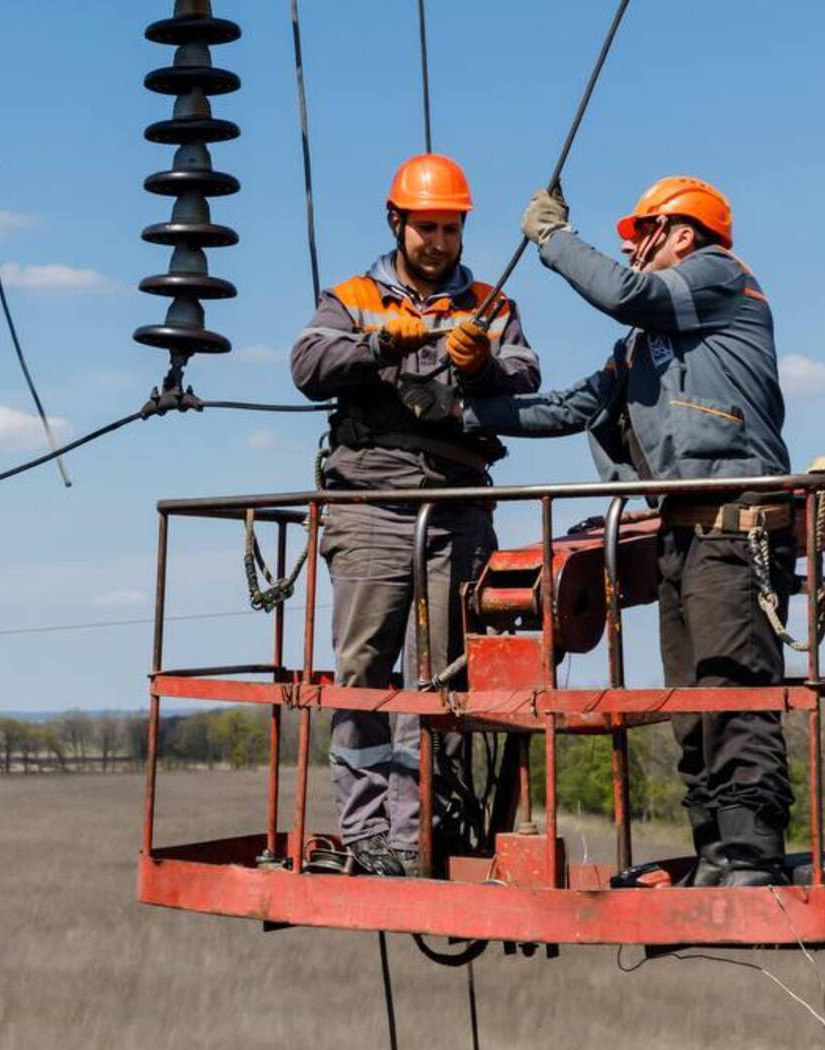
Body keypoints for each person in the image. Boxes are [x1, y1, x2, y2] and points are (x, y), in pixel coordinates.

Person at [462, 176, 795, 886]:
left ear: (681, 232)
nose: (631, 247)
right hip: (681, 535)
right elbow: (568, 409)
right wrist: (460, 410)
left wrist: (553, 239)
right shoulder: (642, 348)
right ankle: (716, 852)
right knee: (691, 706)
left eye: (641, 233)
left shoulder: (721, 278)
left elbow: (626, 292)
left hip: (738, 529)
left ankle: (752, 858)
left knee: (733, 695)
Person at [289, 154, 541, 876]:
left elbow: (526, 375)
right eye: (425, 227)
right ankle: (369, 832)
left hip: (456, 507)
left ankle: (421, 827)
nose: (437, 241)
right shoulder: (354, 297)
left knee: (442, 675)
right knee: (365, 667)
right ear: (396, 223)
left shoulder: (491, 304)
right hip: (370, 505)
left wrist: (479, 364)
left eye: (450, 228)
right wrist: (378, 345)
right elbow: (307, 366)